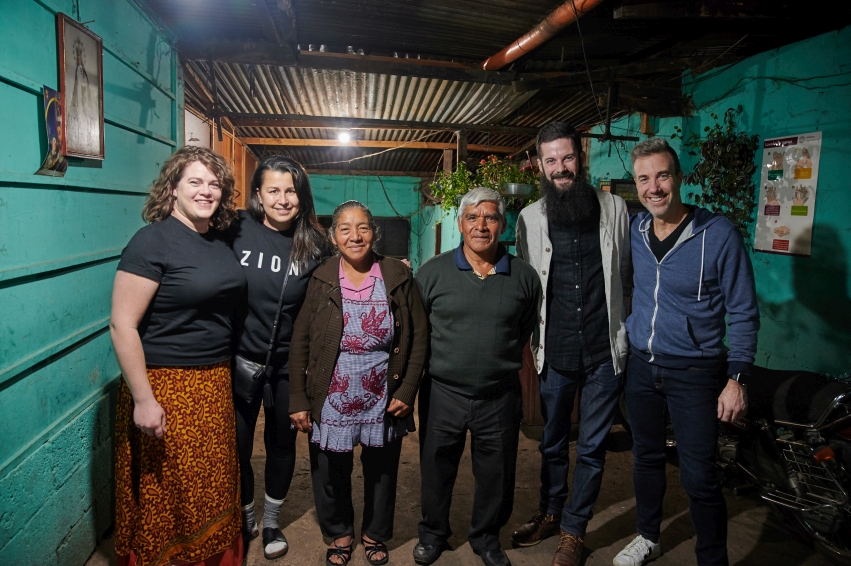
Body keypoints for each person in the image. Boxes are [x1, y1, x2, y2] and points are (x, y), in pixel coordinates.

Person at [614, 138, 758, 566]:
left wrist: (737, 378)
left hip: (695, 372)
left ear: (679, 177)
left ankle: (712, 559)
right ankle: (648, 537)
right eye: (644, 179)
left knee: (699, 476)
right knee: (646, 460)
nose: (653, 187)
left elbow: (743, 311)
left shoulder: (719, 234)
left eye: (662, 176)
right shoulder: (637, 231)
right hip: (642, 367)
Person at [110, 146, 247, 566]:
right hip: (167, 386)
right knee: (170, 491)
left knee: (212, 483)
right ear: (172, 188)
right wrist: (144, 399)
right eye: (195, 181)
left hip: (213, 382)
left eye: (214, 184)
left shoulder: (217, 240)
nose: (206, 191)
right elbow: (122, 325)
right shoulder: (152, 241)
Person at [513, 122, 631, 566]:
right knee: (552, 441)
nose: (560, 168)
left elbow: (626, 274)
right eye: (551, 160)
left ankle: (573, 532)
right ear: (540, 166)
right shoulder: (529, 218)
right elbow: (527, 284)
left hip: (603, 349)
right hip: (555, 349)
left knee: (593, 448)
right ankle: (550, 512)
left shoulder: (615, 207)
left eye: (567, 157)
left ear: (580, 158)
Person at [288, 200, 428, 566]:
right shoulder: (321, 278)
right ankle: (340, 532)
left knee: (382, 471)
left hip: (383, 394)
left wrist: (407, 389)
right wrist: (298, 397)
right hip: (331, 395)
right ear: (334, 237)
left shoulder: (396, 275)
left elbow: (419, 337)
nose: (355, 236)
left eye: (363, 227)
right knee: (330, 470)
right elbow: (300, 340)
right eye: (345, 228)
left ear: (374, 233)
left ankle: (374, 534)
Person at [414, 187, 541, 566]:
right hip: (442, 392)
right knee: (436, 468)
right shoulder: (432, 273)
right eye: (472, 217)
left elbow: (524, 330)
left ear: (503, 225)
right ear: (460, 224)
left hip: (500, 395)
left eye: (490, 218)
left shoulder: (524, 277)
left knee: (496, 473)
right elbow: (419, 333)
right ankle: (433, 534)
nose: (481, 226)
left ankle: (486, 538)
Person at [228, 155, 330, 559]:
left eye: (291, 191)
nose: (283, 199)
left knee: (281, 445)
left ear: (301, 196)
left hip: (289, 366)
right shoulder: (235, 228)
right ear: (258, 193)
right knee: (237, 446)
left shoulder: (315, 244)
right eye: (273, 190)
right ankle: (246, 517)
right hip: (239, 360)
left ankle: (271, 521)